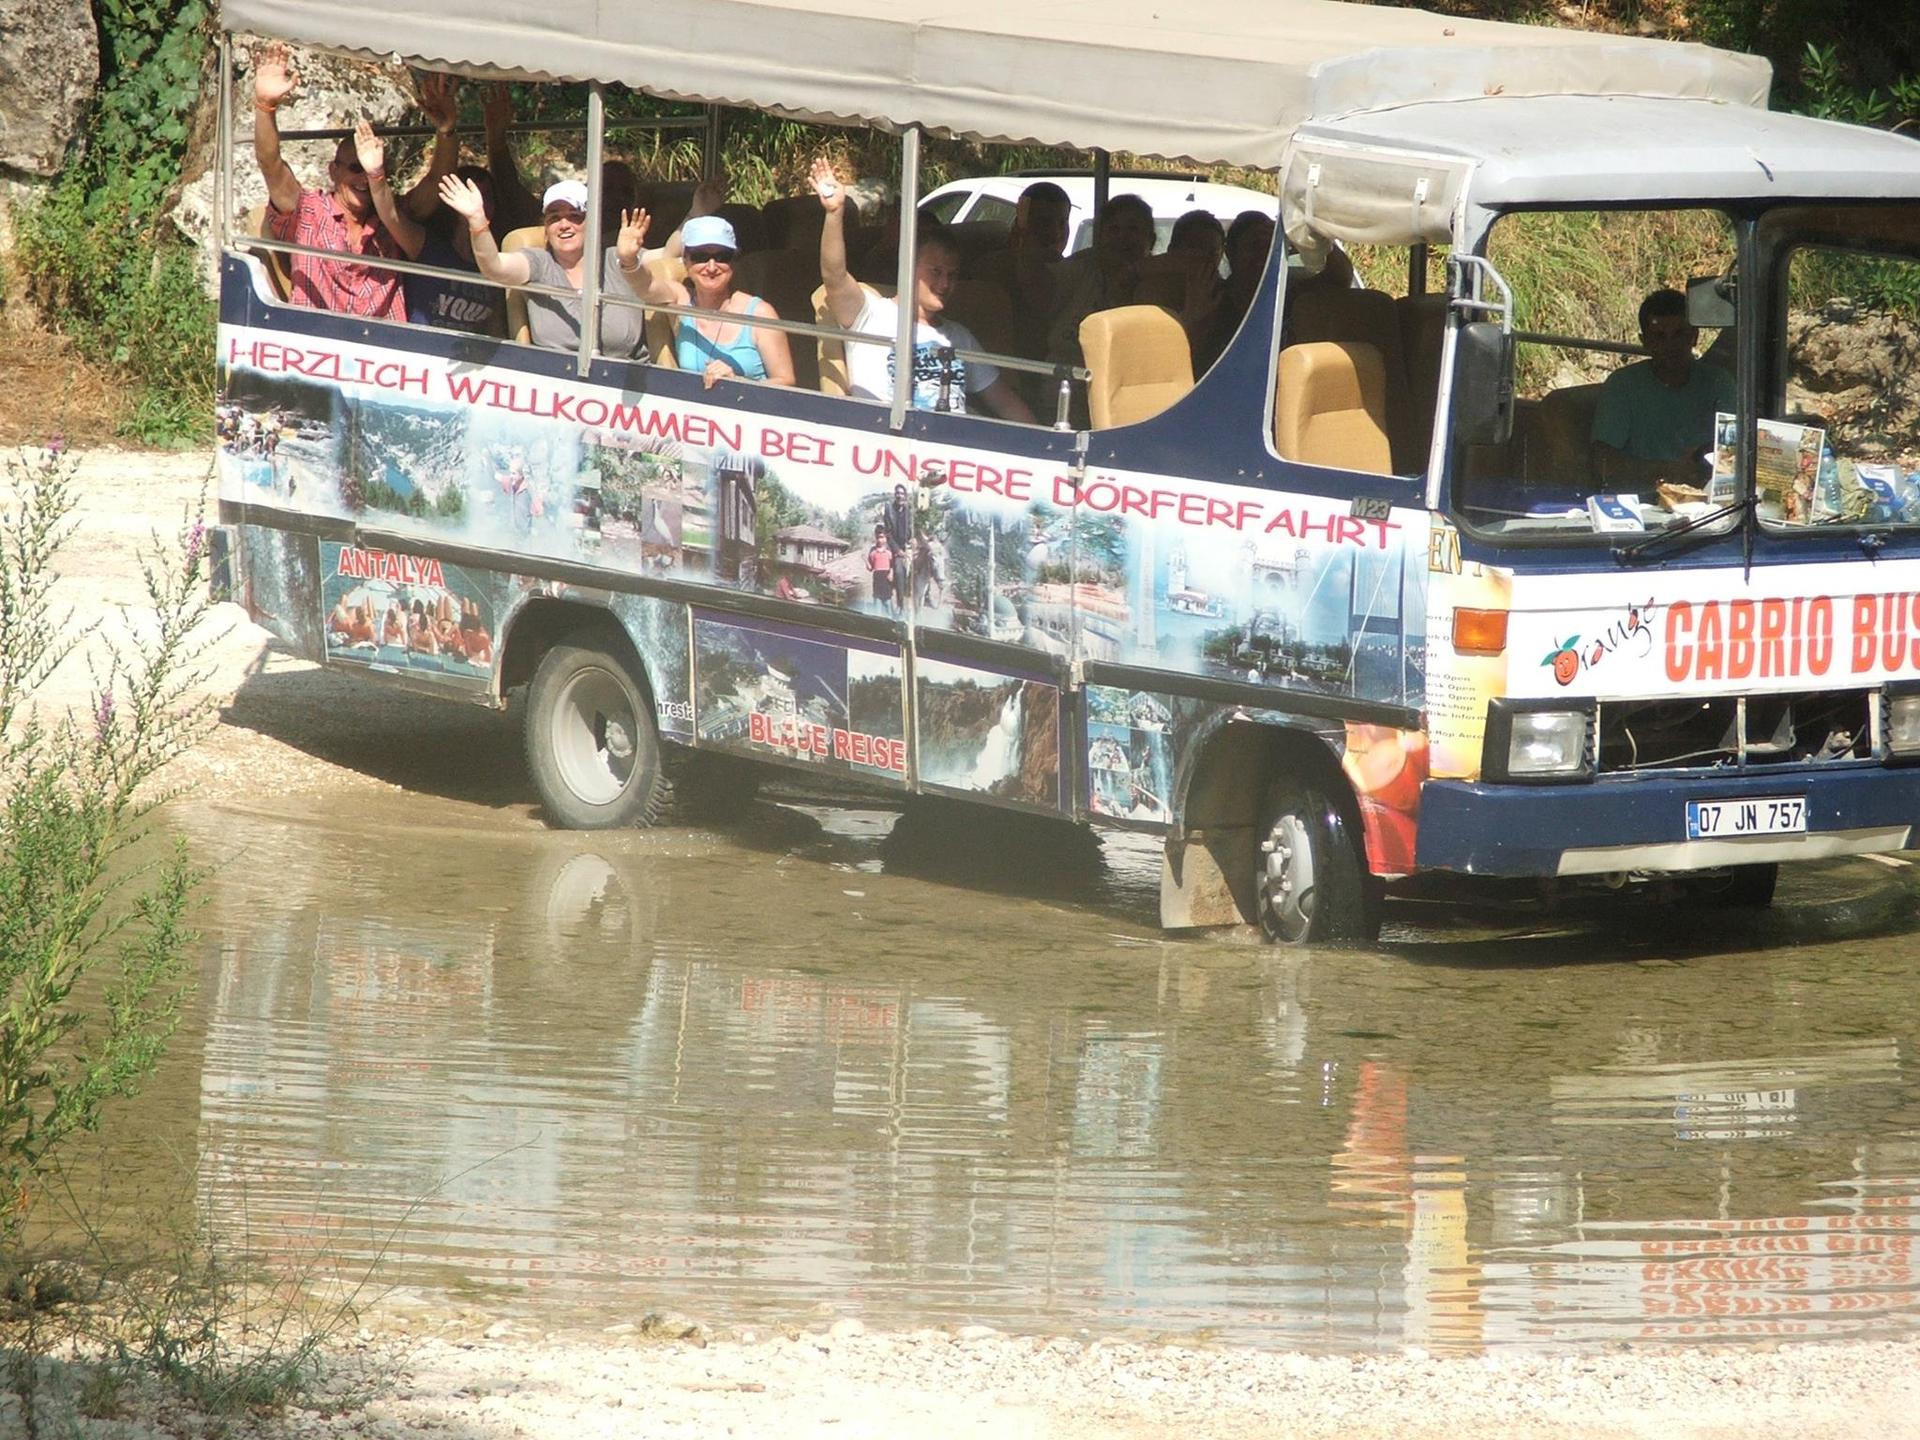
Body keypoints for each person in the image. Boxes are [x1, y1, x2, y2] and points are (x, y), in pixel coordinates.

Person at [813, 158, 1034, 421]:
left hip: (954, 448)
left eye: (952, 275)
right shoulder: (869, 314)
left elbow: (1006, 404)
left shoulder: (959, 336)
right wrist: (834, 213)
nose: (944, 285)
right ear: (908, 268)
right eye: (935, 272)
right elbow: (834, 274)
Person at [251, 45, 458, 319]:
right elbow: (271, 164)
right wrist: (265, 107)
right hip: (319, 345)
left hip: (385, 350)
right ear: (333, 171)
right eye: (354, 167)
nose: (364, 177)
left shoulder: (393, 217)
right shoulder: (308, 212)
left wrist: (447, 130)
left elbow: (437, 183)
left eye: (370, 168)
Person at [439, 173, 651, 359]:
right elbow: (494, 267)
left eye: (575, 216)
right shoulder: (538, 262)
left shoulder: (621, 259)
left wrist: (630, 259)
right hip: (554, 383)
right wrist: (477, 221)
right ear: (545, 227)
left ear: (593, 222)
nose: (564, 224)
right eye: (554, 217)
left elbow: (673, 259)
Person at [1591, 288, 1737, 487]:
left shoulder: (1719, 383)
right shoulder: (1623, 385)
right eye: (1660, 336)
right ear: (1645, 342)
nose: (1671, 345)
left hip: (1704, 501)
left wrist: (1703, 456)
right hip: (1641, 502)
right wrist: (1666, 470)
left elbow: (1732, 449)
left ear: (1694, 336)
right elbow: (1604, 461)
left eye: (1679, 334)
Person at [627, 214, 794, 387]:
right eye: (700, 257)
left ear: (733, 261)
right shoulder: (681, 298)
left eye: (722, 257)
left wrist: (739, 383)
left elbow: (786, 381)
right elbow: (645, 288)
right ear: (686, 261)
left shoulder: (760, 313)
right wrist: (628, 259)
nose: (712, 267)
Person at [1045, 193, 1157, 374]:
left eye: (1133, 229)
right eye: (1114, 229)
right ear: (1100, 237)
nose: (1123, 237)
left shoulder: (1158, 283)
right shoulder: (1077, 271)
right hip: (1064, 388)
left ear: (1150, 240)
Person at [403, 164, 508, 336]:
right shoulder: (427, 246)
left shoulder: (501, 261)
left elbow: (497, 327)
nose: (479, 204)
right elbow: (389, 216)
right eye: (470, 196)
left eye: (487, 196)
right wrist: (375, 176)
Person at [973, 181, 1072, 360]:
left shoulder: (1076, 273)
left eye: (1062, 223)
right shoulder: (992, 268)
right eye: (1043, 223)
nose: (1056, 233)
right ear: (1023, 223)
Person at [1193, 208, 1276, 373]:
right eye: (1254, 247)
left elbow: (1340, 275)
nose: (1262, 256)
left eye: (1270, 248)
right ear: (1231, 252)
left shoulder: (1286, 301)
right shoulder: (1210, 300)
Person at [867, 525, 895, 611]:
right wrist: (865, 560)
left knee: (888, 603)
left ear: (886, 538)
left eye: (882, 537)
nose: (880, 540)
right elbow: (870, 568)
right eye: (878, 537)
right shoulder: (872, 551)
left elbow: (892, 564)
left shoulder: (889, 550)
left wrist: (891, 573)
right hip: (877, 578)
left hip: (886, 578)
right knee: (877, 604)